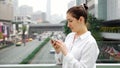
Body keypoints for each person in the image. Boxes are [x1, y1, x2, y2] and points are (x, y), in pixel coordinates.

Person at [51, 4, 99, 68]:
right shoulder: (70, 36)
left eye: (70, 21)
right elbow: (61, 62)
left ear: (81, 19)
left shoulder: (90, 43)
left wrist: (66, 53)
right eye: (67, 21)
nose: (68, 25)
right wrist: (58, 50)